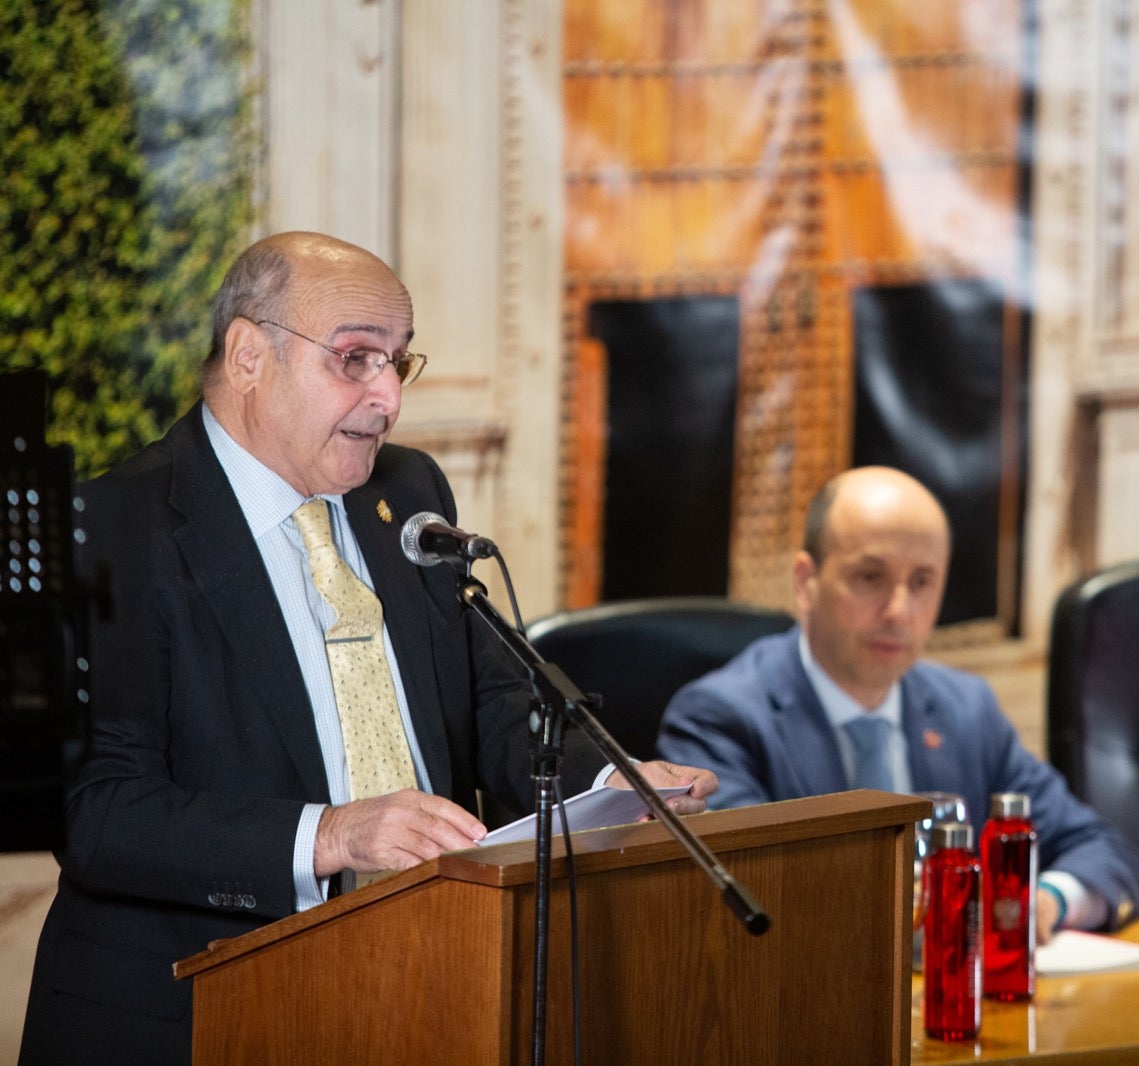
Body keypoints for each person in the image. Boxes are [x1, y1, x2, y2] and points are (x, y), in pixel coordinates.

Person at [20, 232, 716, 1064]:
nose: (386, 398)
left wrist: (610, 785)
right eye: (354, 359)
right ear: (248, 355)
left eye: (398, 363)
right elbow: (95, 811)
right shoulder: (111, 528)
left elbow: (495, 701)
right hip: (193, 1013)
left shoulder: (410, 491)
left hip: (419, 986)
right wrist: (333, 836)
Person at [657, 466, 1139, 935]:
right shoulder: (720, 718)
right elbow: (754, 894)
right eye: (870, 577)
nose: (899, 612)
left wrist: (1045, 901)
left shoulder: (966, 709)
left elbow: (1102, 849)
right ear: (807, 582)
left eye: (922, 582)